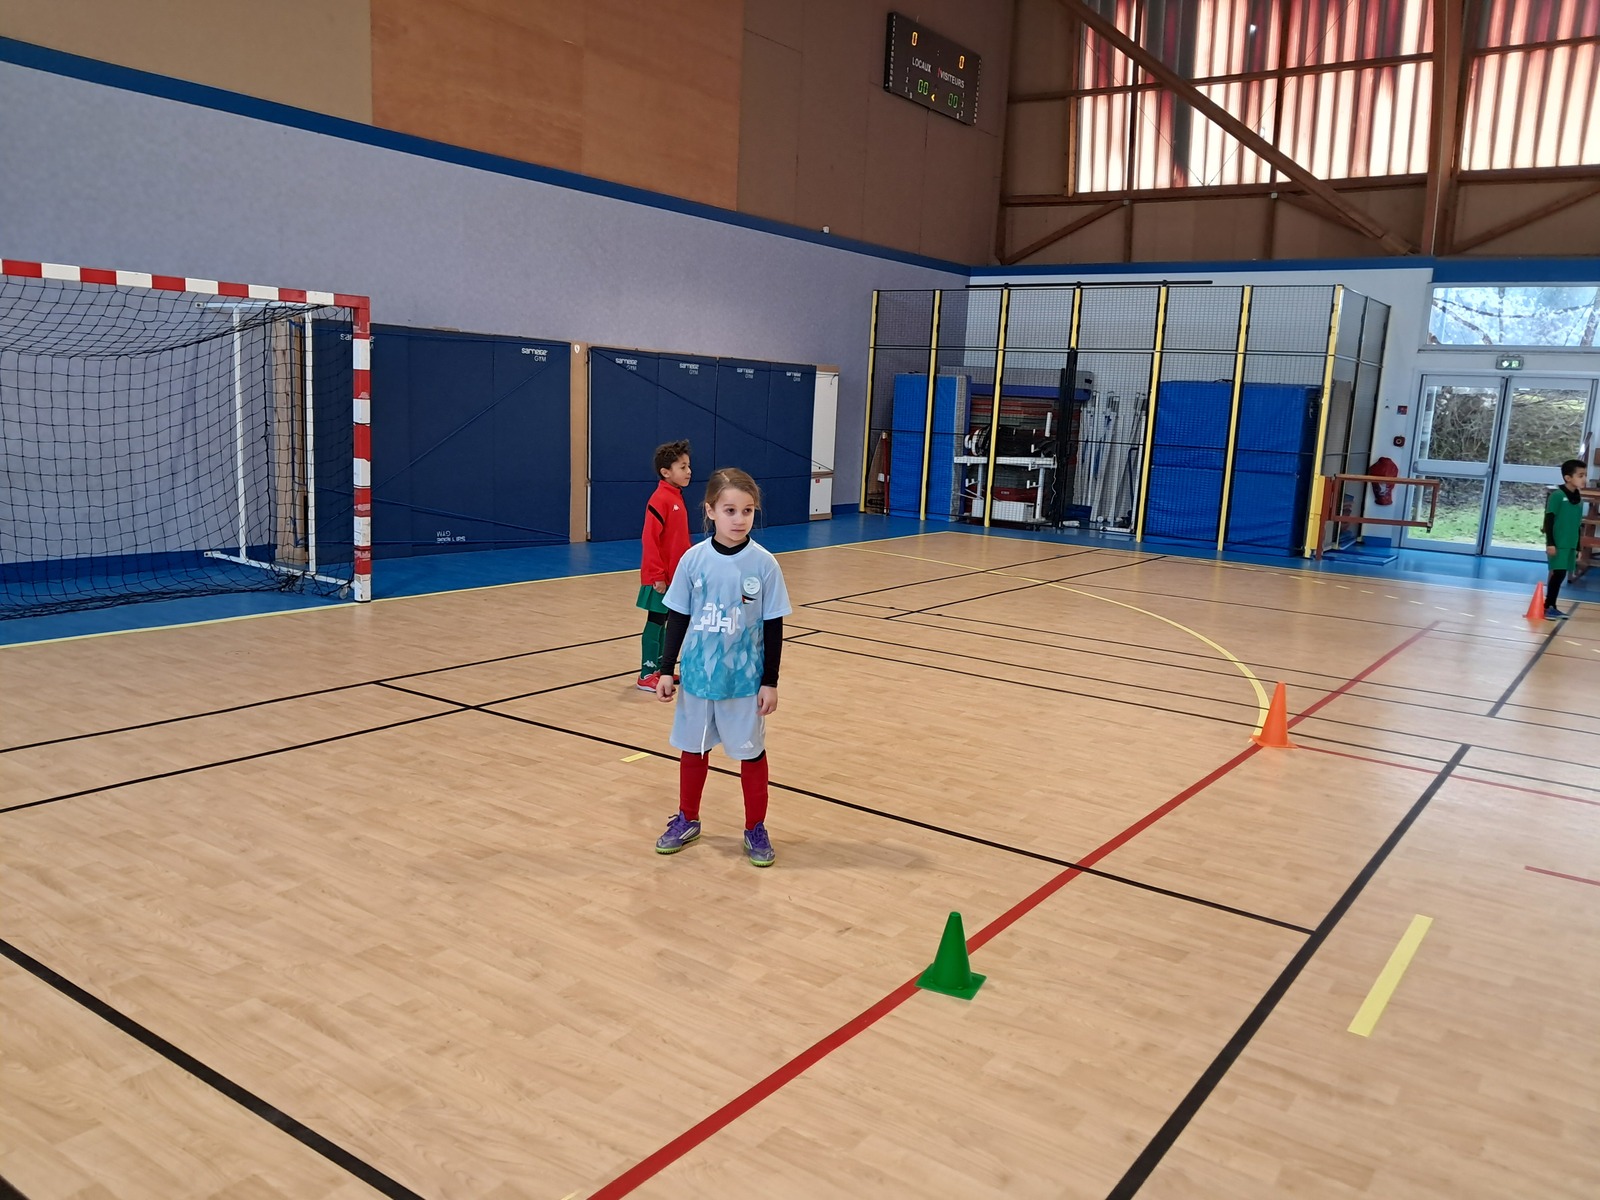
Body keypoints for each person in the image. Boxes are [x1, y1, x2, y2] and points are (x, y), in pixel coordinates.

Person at [652, 467, 791, 867]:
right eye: (730, 510)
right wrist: (666, 669)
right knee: (693, 750)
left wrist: (770, 681)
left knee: (751, 754)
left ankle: (755, 827)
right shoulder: (693, 560)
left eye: (747, 511)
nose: (739, 519)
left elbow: (773, 626)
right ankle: (688, 818)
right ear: (710, 510)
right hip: (698, 678)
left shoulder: (764, 564)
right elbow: (678, 617)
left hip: (744, 682)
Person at [637, 440, 692, 690]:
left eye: (688, 466)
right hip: (660, 577)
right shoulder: (660, 499)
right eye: (682, 467)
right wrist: (657, 575)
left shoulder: (675, 497)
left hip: (675, 576)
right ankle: (646, 673)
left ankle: (660, 669)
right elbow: (650, 539)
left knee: (666, 620)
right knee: (656, 619)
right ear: (665, 472)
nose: (688, 471)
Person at [1544, 457, 1587, 619]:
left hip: (1570, 543)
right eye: (1580, 475)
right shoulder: (1557, 495)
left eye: (1585, 475)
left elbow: (1577, 525)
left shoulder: (1579, 499)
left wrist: (1578, 547)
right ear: (1568, 478)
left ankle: (1552, 606)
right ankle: (1548, 606)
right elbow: (1549, 520)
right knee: (1558, 573)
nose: (1584, 479)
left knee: (1561, 574)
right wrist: (1550, 543)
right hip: (1558, 543)